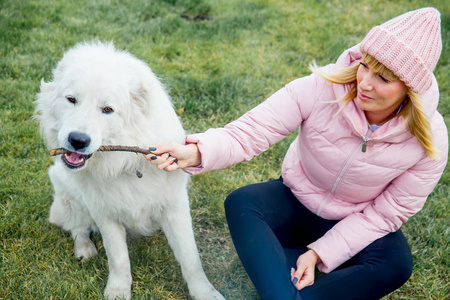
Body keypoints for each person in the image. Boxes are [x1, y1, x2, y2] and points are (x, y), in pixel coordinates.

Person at [145, 7, 448, 300]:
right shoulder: (321, 87)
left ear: (410, 89)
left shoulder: (430, 140)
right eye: (365, 65)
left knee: (395, 263)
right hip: (295, 201)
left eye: (383, 78)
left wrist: (320, 253)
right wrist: (196, 152)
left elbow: (387, 213)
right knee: (242, 203)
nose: (364, 83)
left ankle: (284, 283)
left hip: (355, 220)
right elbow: (250, 132)